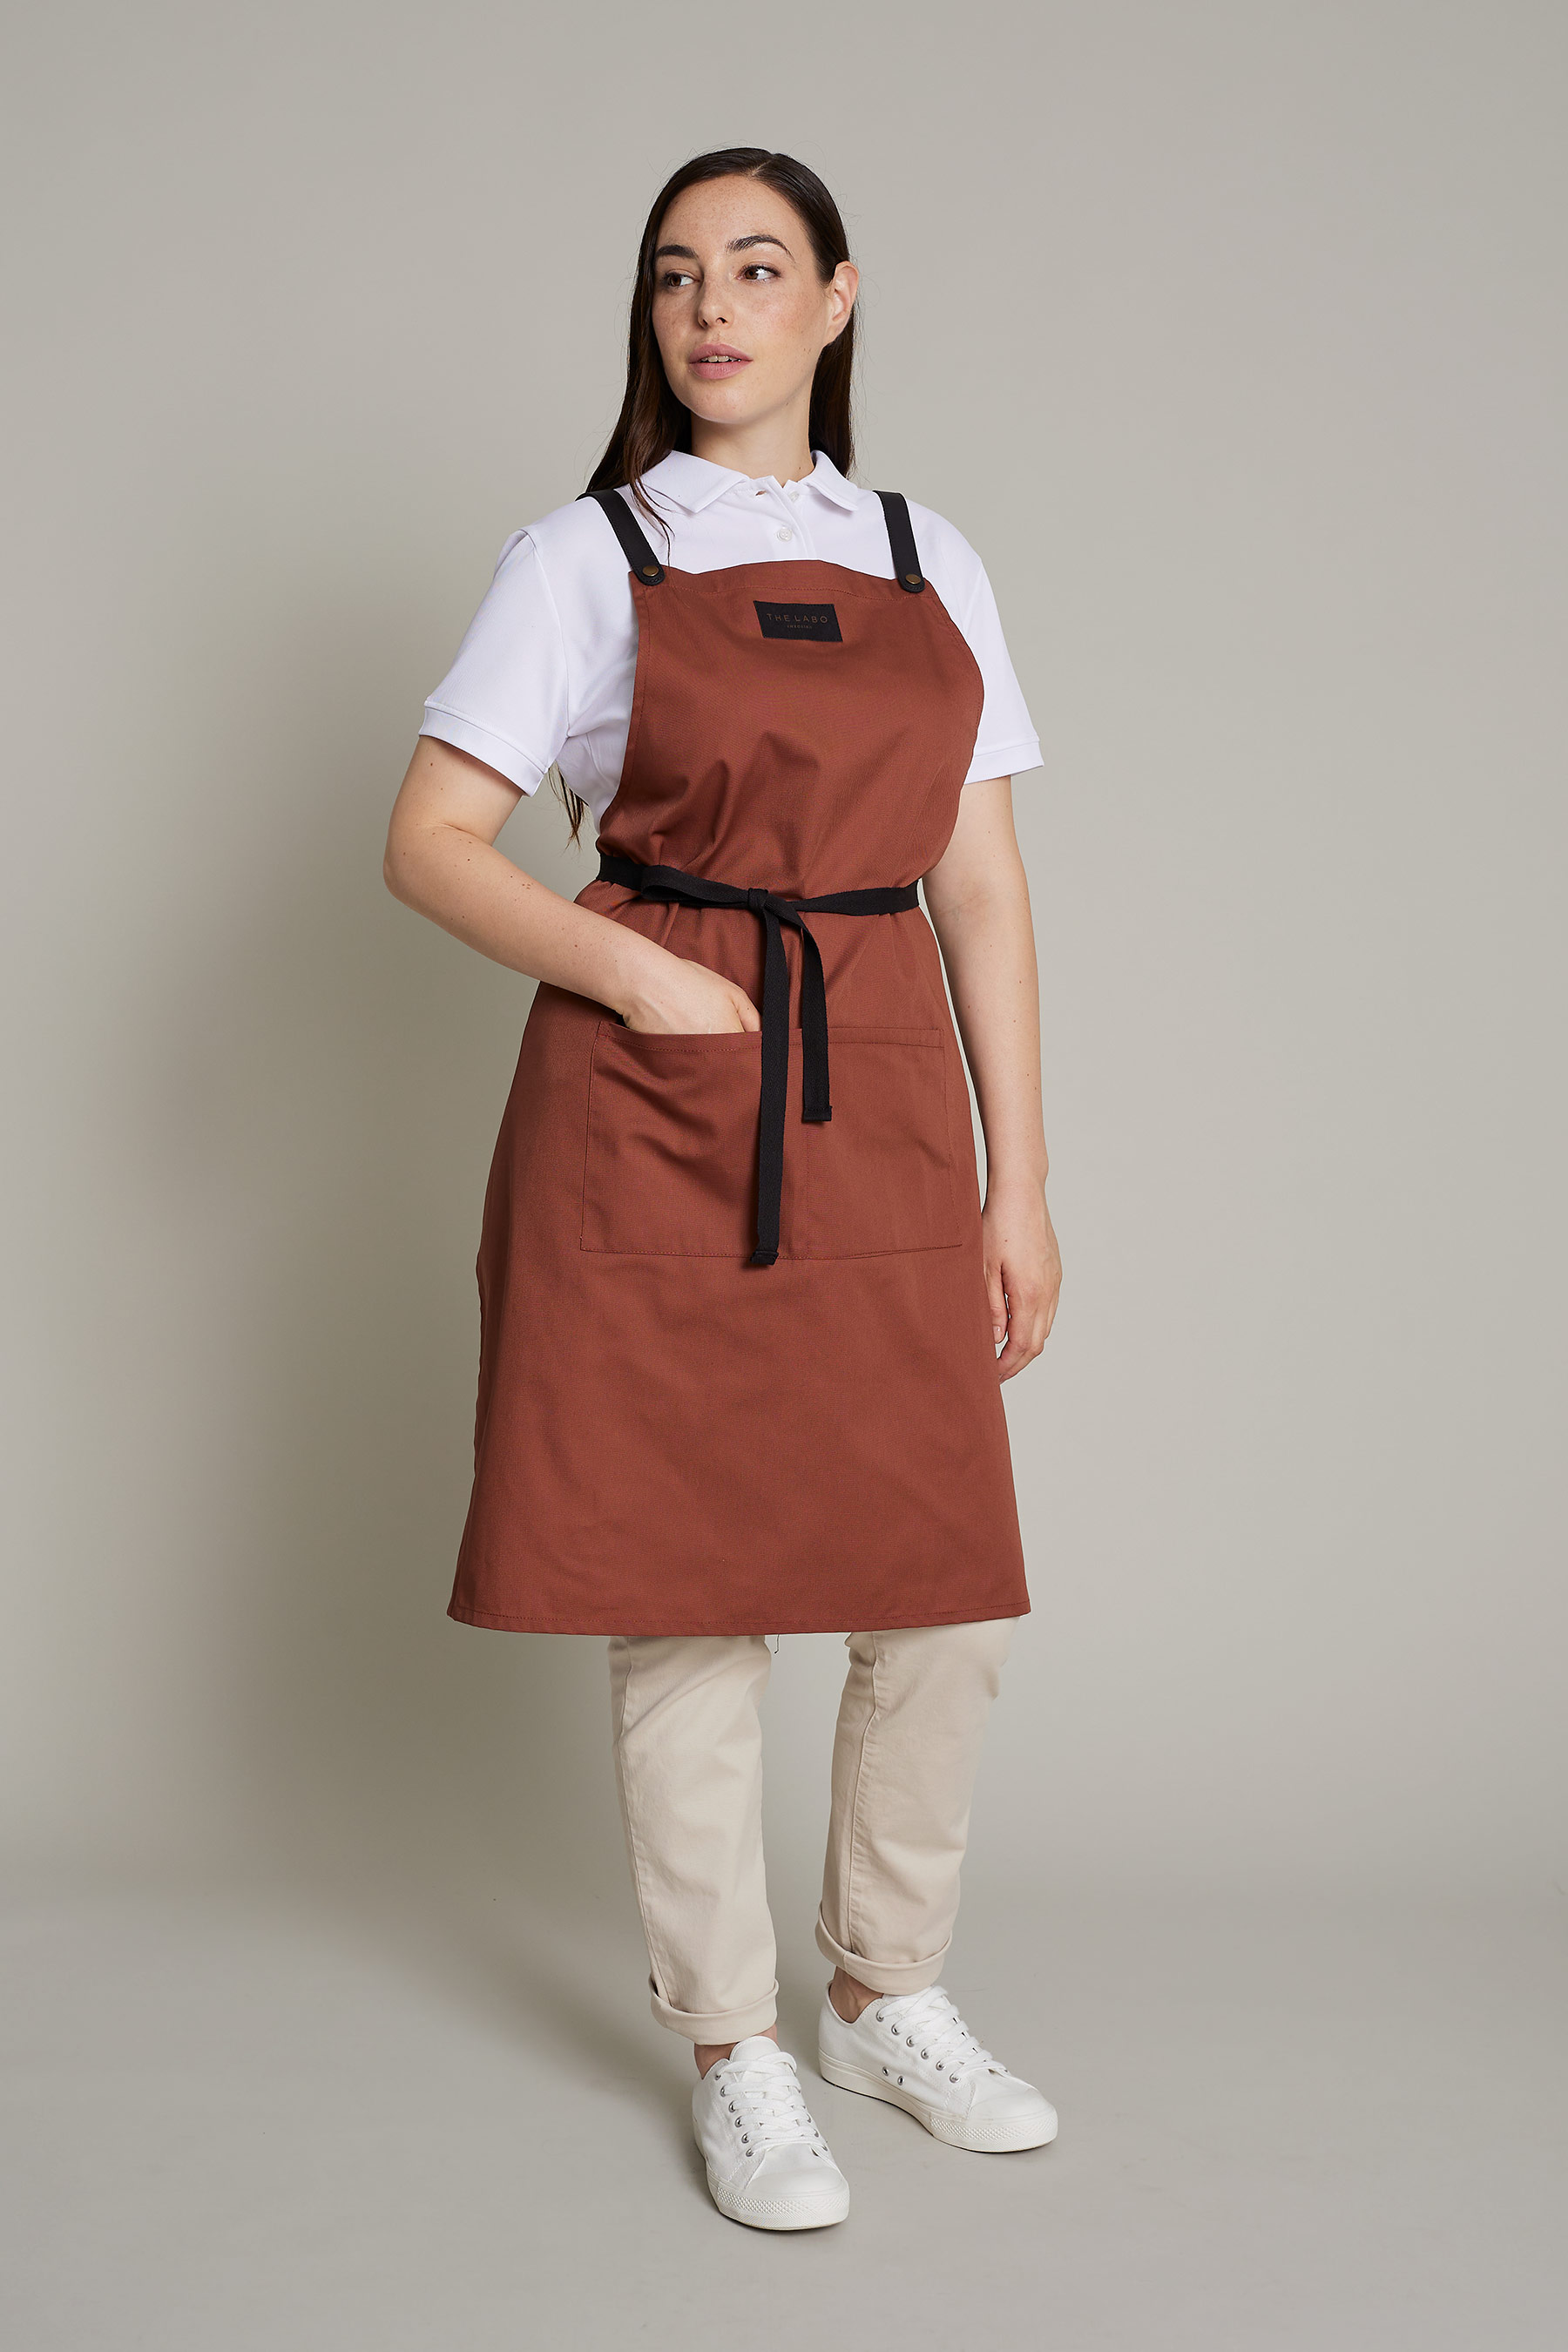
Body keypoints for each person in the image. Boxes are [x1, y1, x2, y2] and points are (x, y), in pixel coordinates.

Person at [382, 145, 1063, 2232]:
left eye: (758, 269)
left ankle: (887, 1992)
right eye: (678, 273)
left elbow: (980, 886)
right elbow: (431, 839)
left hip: (882, 1089)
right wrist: (640, 979)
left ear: (837, 299)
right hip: (655, 1103)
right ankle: (735, 2048)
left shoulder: (928, 554)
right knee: (685, 1595)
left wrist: (1023, 1186)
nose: (712, 309)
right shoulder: (585, 553)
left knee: (940, 1592)